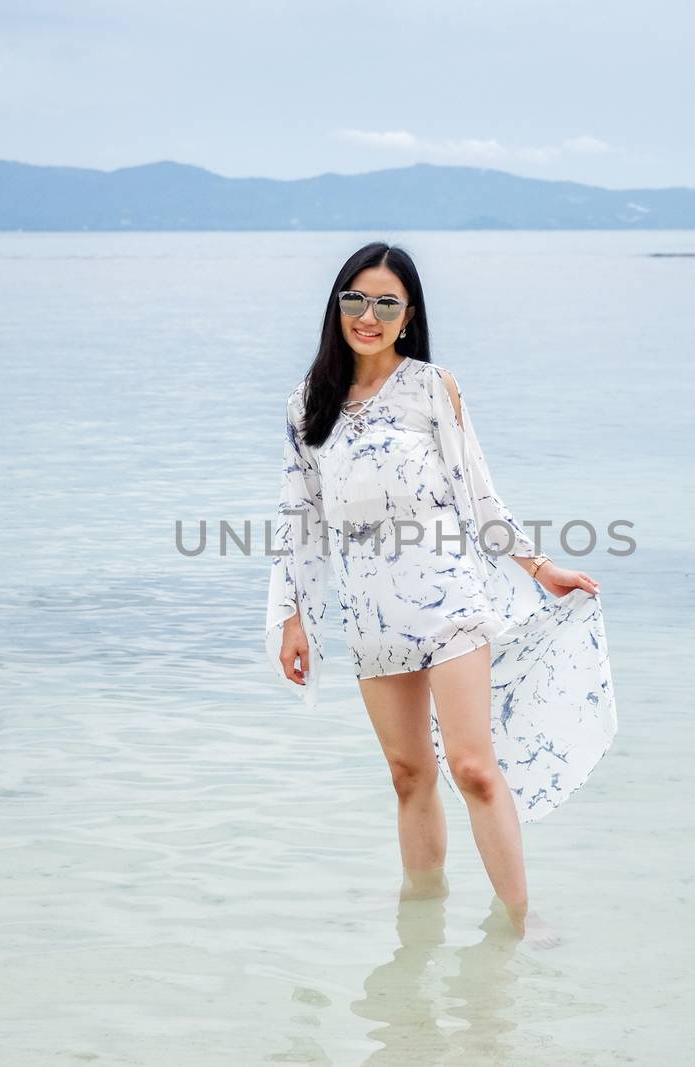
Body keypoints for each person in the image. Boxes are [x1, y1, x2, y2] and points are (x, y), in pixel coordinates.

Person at [265, 242, 618, 945]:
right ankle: (421, 923)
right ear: (336, 306)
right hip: (370, 614)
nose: (368, 315)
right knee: (407, 774)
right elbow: (297, 520)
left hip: (450, 599)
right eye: (355, 300)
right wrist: (292, 618)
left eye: (386, 302)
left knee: (472, 766)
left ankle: (518, 919)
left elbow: (477, 493)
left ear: (408, 314)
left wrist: (538, 566)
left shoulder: (431, 388)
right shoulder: (310, 404)